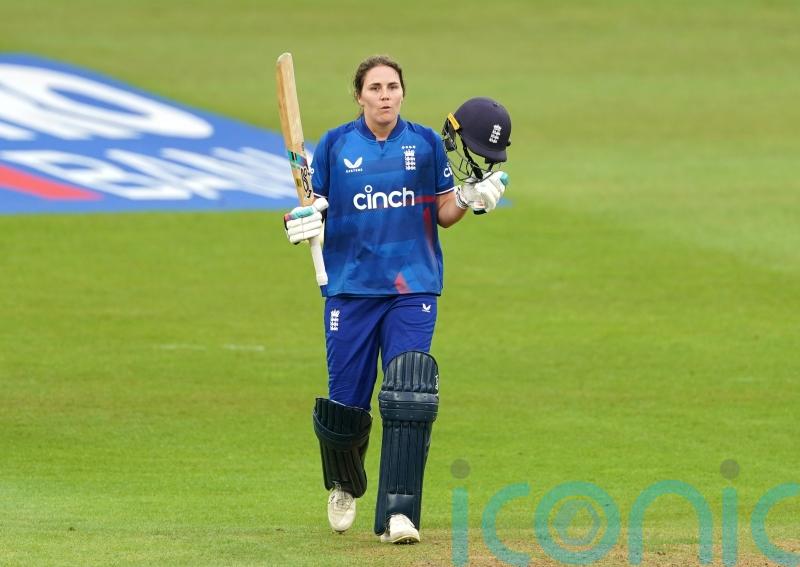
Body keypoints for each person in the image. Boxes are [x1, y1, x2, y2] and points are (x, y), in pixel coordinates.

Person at [283, 55, 511, 544]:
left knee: (410, 394)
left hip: (413, 289)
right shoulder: (335, 146)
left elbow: (444, 213)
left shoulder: (425, 143)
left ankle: (399, 513)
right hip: (350, 288)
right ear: (360, 96)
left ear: (402, 93)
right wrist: (300, 222)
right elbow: (311, 207)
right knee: (347, 402)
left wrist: (472, 199)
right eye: (375, 88)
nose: (385, 95)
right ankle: (344, 482)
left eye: (392, 87)